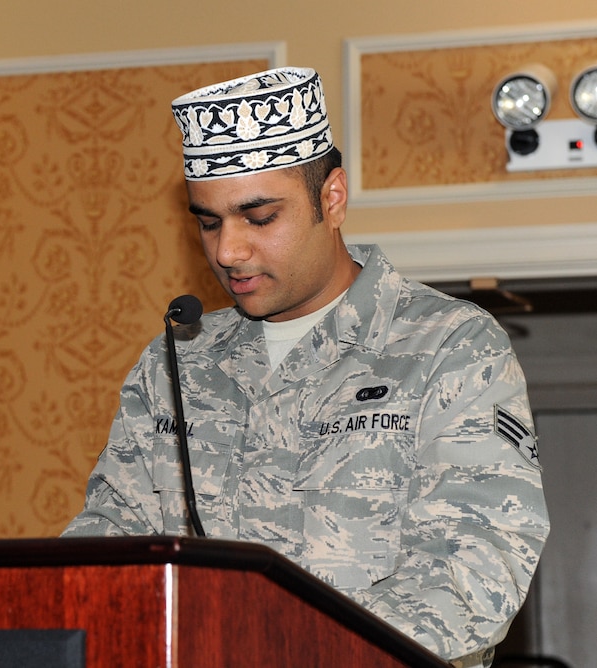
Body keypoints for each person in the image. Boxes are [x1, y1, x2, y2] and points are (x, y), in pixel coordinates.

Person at [62, 67, 549, 667]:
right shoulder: (176, 362)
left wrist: (285, 651)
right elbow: (109, 547)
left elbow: (478, 566)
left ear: (332, 198)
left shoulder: (450, 346)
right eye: (208, 222)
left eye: (259, 218)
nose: (226, 251)